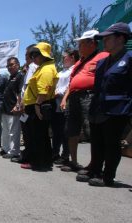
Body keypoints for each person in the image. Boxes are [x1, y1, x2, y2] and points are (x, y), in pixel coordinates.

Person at [76, 22, 132, 186]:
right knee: (97, 140)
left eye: (108, 38)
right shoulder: (102, 63)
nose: (104, 41)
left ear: (121, 38)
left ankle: (107, 176)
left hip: (118, 109)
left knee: (111, 143)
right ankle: (95, 169)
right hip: (98, 107)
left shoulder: (129, 59)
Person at [59, 30, 109, 172]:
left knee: (92, 130)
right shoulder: (79, 62)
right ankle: (73, 162)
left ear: (92, 43)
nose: (79, 47)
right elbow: (72, 82)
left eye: (81, 44)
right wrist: (64, 98)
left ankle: (95, 165)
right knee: (71, 130)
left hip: (89, 96)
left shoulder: (103, 56)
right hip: (73, 97)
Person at [20, 42, 58, 170]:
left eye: (36, 54)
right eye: (32, 55)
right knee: (39, 135)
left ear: (43, 54)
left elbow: (43, 91)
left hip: (39, 105)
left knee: (38, 136)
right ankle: (44, 161)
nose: (33, 57)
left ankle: (38, 162)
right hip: (35, 104)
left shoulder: (46, 69)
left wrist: (37, 106)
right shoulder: (42, 67)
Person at [51, 49, 79, 165]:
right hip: (56, 103)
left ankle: (65, 156)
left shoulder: (74, 70)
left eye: (65, 56)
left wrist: (59, 93)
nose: (63, 58)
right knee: (56, 131)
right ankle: (55, 153)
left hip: (65, 102)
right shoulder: (62, 71)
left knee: (65, 131)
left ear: (72, 57)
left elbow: (70, 85)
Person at [12, 44, 38, 164]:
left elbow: (27, 87)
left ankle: (30, 157)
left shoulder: (33, 67)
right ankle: (27, 154)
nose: (26, 58)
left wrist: (21, 104)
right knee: (26, 132)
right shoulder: (27, 68)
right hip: (26, 103)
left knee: (30, 133)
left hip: (29, 104)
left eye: (27, 55)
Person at [1, 57, 24, 159]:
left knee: (13, 132)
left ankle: (14, 151)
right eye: (8, 65)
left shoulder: (20, 76)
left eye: (12, 64)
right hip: (5, 109)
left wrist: (17, 105)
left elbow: (20, 92)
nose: (9, 67)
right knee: (5, 130)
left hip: (13, 109)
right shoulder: (10, 77)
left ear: (18, 65)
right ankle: (5, 149)